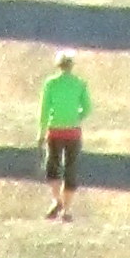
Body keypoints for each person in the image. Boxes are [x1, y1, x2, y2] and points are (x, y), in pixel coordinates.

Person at [38, 49, 91, 216]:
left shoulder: (50, 83)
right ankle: (66, 210)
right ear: (72, 66)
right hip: (73, 132)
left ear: (58, 65)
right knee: (71, 169)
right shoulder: (80, 83)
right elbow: (88, 108)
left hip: (54, 131)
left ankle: (57, 201)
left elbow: (44, 110)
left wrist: (41, 132)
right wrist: (76, 116)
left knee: (52, 167)